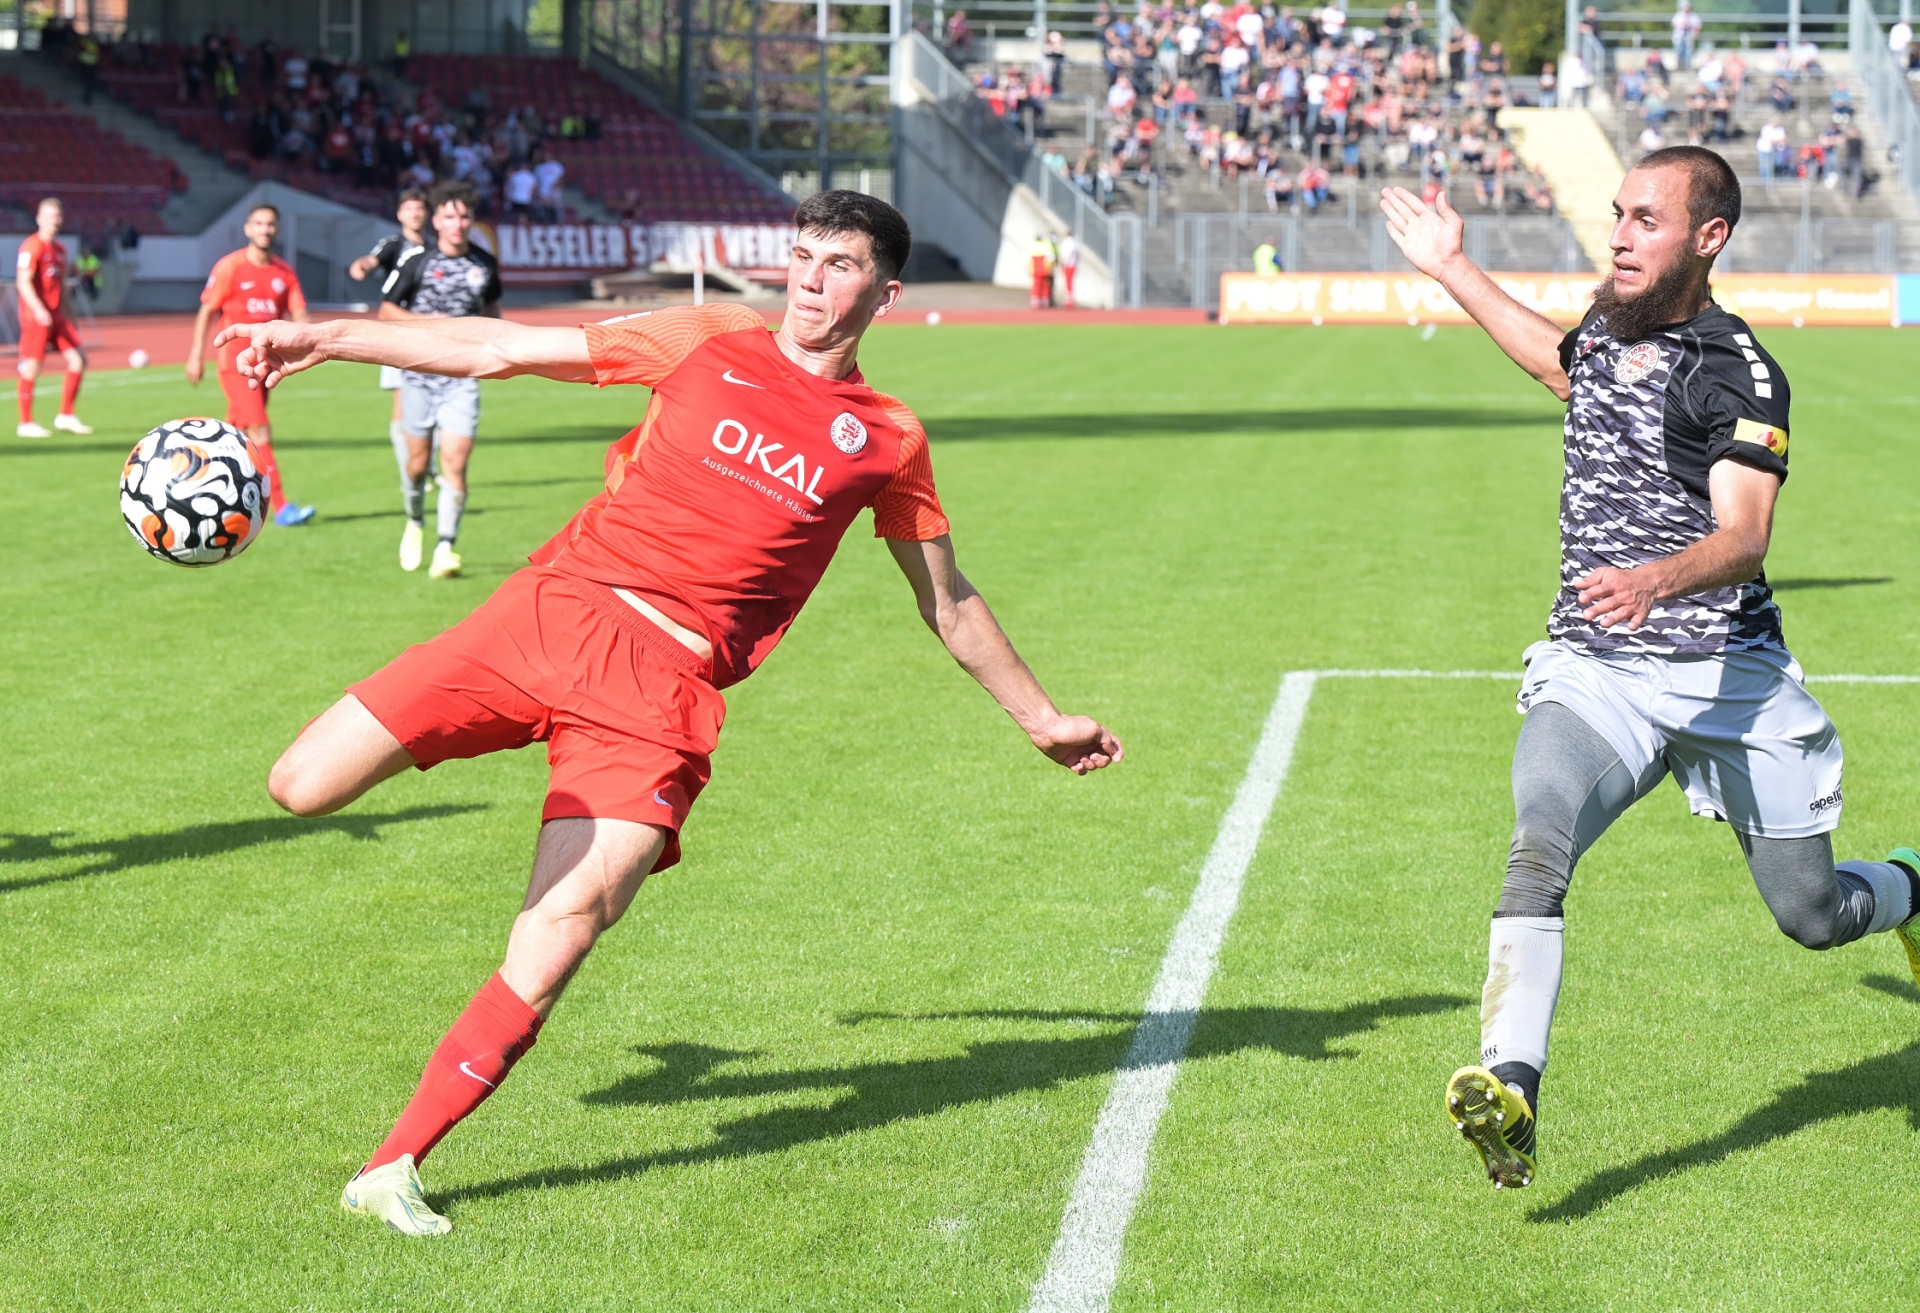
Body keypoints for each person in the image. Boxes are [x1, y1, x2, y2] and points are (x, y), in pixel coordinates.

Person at [216, 190, 1123, 1237]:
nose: (810, 279)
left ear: (885, 293)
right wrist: (327, 335)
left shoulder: (887, 438)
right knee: (301, 784)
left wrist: (1041, 718)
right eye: (802, 255)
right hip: (549, 614)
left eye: (838, 264)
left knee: (560, 931)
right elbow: (502, 347)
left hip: (659, 696)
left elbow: (948, 600)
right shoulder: (709, 337)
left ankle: (392, 1165)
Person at [1380, 147, 1920, 1192]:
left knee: (1814, 916)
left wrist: (1655, 579)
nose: (1620, 236)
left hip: (1727, 678)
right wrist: (1451, 266)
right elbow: (1561, 367)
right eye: (1618, 214)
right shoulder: (1610, 329)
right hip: (1599, 668)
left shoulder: (1739, 371)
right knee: (1539, 839)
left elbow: (1746, 535)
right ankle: (1514, 1091)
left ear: (1708, 238)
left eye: (1646, 220)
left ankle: (1910, 885)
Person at [379, 180, 502, 579]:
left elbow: (493, 314)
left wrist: (495, 349)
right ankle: (415, 520)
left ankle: (446, 548)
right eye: (449, 216)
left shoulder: (484, 264)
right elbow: (386, 311)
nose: (458, 223)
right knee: (417, 466)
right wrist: (426, 322)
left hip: (462, 381)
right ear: (436, 221)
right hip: (418, 378)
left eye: (464, 216)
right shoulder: (417, 260)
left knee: (456, 464)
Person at [186, 204, 316, 526]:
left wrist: (308, 334)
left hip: (267, 364)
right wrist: (196, 354)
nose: (264, 229)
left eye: (270, 224)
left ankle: (199, 490)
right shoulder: (230, 267)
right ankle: (282, 507)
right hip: (236, 363)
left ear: (277, 230)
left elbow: (299, 312)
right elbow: (207, 310)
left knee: (233, 435)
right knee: (259, 429)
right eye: (258, 223)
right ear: (248, 229)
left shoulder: (284, 273)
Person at [349, 189, 429, 493]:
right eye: (409, 208)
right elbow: (373, 259)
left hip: (430, 334)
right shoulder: (395, 244)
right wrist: (363, 265)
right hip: (398, 332)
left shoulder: (435, 248)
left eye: (419, 208)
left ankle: (426, 465)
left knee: (432, 400)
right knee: (402, 402)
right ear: (399, 214)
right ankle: (409, 471)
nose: (415, 213)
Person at [15, 198, 89, 439]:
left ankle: (66, 415)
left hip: (57, 316)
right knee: (32, 365)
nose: (53, 221)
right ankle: (25, 422)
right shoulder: (31, 247)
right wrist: (38, 309)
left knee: (78, 359)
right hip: (36, 317)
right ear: (38, 219)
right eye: (48, 216)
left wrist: (71, 316)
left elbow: (61, 287)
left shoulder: (60, 250)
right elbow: (23, 282)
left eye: (56, 216)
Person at [1028, 232, 1056, 309]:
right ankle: (1045, 301)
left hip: (1035, 270)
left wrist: (1028, 270)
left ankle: (1035, 301)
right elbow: (1051, 258)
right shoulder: (1046, 246)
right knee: (1045, 285)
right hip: (1045, 269)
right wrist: (1052, 268)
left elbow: (1028, 260)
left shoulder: (1032, 246)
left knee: (1036, 285)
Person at [1057, 231, 1080, 307]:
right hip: (1073, 265)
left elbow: (1065, 254)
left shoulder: (1066, 243)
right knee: (1070, 283)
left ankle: (1068, 301)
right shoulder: (1075, 243)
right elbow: (1077, 255)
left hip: (1067, 265)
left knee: (1067, 283)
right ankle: (1070, 300)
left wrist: (1062, 264)